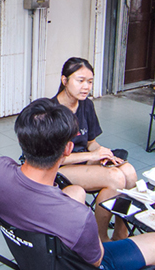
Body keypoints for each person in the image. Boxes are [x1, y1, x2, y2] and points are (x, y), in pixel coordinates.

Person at [0, 98, 155, 270]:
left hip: (28, 257)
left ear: (20, 139)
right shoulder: (79, 217)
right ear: (68, 149)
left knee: (76, 191)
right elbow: (97, 261)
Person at [53, 58, 139, 240]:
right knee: (115, 178)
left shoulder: (86, 105)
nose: (86, 87)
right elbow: (54, 158)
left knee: (129, 173)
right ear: (64, 80)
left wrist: (104, 153)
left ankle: (120, 229)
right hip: (60, 168)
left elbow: (91, 141)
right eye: (80, 80)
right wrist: (92, 155)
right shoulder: (52, 111)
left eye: (90, 82)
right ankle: (100, 236)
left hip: (85, 161)